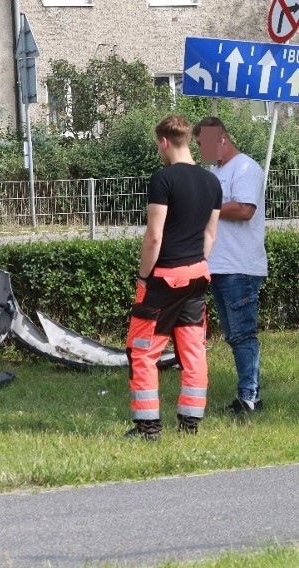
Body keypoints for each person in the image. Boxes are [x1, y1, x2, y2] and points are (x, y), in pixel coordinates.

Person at [126, 114, 222, 441]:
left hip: (165, 278)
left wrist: (143, 277)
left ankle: (148, 428)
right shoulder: (212, 182)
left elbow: (154, 237)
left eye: (158, 145)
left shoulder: (163, 179)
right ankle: (190, 423)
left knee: (142, 350)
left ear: (164, 141)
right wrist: (194, 264)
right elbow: (210, 236)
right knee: (193, 350)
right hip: (198, 274)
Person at [193, 117, 267, 414]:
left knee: (243, 333)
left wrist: (207, 208)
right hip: (220, 266)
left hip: (240, 266)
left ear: (221, 138)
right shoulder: (215, 171)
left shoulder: (246, 168)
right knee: (234, 334)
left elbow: (245, 209)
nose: (201, 151)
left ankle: (250, 397)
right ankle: (247, 394)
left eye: (203, 144)